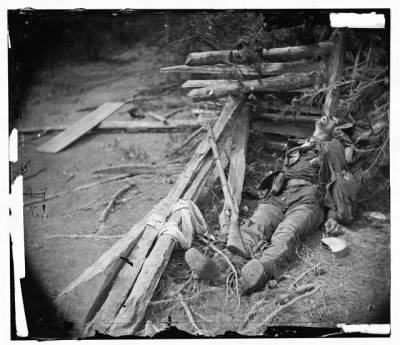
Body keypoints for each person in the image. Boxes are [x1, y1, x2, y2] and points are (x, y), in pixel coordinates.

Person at [185, 114, 359, 294]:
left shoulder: (334, 147)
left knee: (286, 234)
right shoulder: (300, 144)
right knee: (254, 227)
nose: (325, 117)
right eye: (324, 115)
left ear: (336, 127)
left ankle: (257, 273)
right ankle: (218, 266)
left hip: (308, 200)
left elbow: (339, 184)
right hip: (279, 196)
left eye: (331, 118)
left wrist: (332, 216)